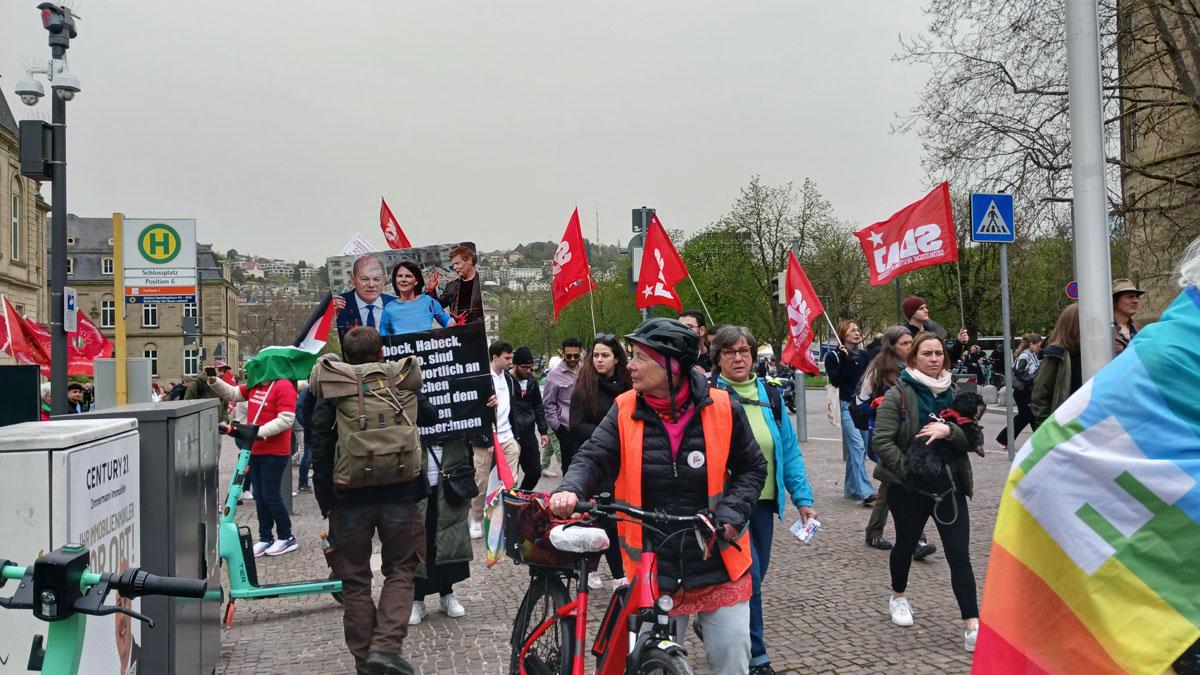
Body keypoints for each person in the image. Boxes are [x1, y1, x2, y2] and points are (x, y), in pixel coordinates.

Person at [550, 318, 766, 674]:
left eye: (640, 357)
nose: (629, 365)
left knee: (733, 659)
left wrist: (729, 515)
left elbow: (752, 468)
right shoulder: (623, 409)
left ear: (673, 365)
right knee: (650, 663)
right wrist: (570, 490)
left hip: (717, 556)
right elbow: (591, 457)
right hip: (654, 561)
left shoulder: (724, 407)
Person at [309, 327, 425, 675]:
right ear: (381, 353)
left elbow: (319, 442)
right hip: (402, 494)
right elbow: (430, 417)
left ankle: (366, 665)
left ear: (346, 357)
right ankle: (386, 648)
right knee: (401, 570)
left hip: (349, 498)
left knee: (355, 581)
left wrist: (326, 499)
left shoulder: (334, 387)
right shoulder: (400, 381)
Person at [709, 325, 816, 675]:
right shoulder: (710, 396)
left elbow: (788, 449)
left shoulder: (770, 395)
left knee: (757, 576)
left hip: (765, 503)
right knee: (749, 576)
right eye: (729, 352)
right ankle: (757, 656)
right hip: (729, 505)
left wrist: (802, 497)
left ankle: (719, 625)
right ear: (718, 358)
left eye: (744, 351)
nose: (738, 358)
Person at [871, 332, 979, 653]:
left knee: (959, 553)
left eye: (938, 354)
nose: (934, 359)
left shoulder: (958, 392)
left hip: (949, 487)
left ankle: (971, 623)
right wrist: (908, 471)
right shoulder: (898, 395)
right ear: (913, 358)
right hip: (909, 488)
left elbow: (972, 437)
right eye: (927, 353)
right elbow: (882, 441)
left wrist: (950, 431)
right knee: (905, 544)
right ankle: (899, 596)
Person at [208, 364, 298, 557]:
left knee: (271, 495)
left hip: (275, 451)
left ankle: (286, 536)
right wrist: (214, 381)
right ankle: (265, 537)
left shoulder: (283, 386)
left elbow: (286, 419)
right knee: (259, 496)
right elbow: (233, 393)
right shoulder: (255, 385)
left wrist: (259, 432)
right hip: (256, 449)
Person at [567, 333, 632, 590]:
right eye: (596, 355)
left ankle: (592, 565)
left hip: (625, 461)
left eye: (605, 355)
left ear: (617, 358)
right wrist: (607, 435)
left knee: (616, 516)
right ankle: (618, 575)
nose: (599, 360)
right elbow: (575, 426)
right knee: (606, 517)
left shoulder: (628, 386)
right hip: (598, 461)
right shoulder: (584, 389)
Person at [856, 325, 915, 552]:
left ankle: (876, 532)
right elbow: (861, 403)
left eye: (911, 343)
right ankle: (915, 538)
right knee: (900, 482)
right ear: (892, 346)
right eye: (904, 344)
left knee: (892, 486)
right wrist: (879, 406)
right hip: (883, 436)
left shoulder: (913, 367)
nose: (909, 348)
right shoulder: (879, 368)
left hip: (907, 435)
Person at [409, 435, 473, 627]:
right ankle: (416, 598)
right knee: (420, 537)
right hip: (417, 474)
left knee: (449, 537)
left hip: (451, 471)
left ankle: (447, 593)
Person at [469, 341, 522, 538]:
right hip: (486, 440)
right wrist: (485, 438)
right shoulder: (482, 379)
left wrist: (515, 438)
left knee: (509, 482)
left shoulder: (508, 379)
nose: (510, 361)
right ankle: (475, 517)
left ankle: (502, 517)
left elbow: (512, 410)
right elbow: (474, 411)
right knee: (481, 482)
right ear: (495, 357)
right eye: (507, 358)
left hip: (507, 437)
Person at [824, 320, 875, 503]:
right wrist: (845, 360)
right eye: (853, 330)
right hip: (846, 406)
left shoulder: (864, 355)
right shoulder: (833, 356)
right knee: (857, 447)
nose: (857, 332)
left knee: (860, 448)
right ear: (843, 334)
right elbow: (836, 380)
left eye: (858, 329)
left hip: (862, 407)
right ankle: (865, 491)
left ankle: (851, 488)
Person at [1031, 304, 1082, 426]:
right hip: (1066, 426)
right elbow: (1040, 395)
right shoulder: (1056, 354)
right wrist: (1049, 428)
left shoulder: (1093, 353)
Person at [994, 333, 1044, 450]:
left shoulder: (1030, 355)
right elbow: (1019, 371)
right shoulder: (1025, 356)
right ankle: (1004, 438)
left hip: (1026, 391)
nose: (1039, 348)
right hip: (1023, 391)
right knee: (1026, 416)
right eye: (1038, 345)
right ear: (1031, 344)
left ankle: (1040, 440)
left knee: (1030, 416)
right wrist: (1032, 379)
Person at [509, 346, 549, 491]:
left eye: (530, 367)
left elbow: (538, 406)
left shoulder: (532, 382)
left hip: (529, 434)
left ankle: (520, 496)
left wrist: (543, 431)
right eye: (524, 367)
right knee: (510, 477)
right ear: (515, 364)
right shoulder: (507, 381)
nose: (528, 371)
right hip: (511, 435)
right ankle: (508, 503)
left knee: (534, 472)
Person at [379, 261, 455, 336]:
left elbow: (446, 322)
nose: (403, 280)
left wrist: (455, 323)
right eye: (399, 276)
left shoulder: (428, 301)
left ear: (416, 281)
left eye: (408, 276)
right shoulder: (389, 308)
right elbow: (383, 337)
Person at [542, 337, 583, 473]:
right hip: (566, 429)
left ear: (580, 353)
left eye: (576, 356)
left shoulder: (586, 371)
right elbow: (548, 405)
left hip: (585, 427)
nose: (572, 359)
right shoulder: (553, 376)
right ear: (563, 354)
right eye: (568, 356)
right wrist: (558, 428)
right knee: (569, 469)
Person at [334, 254, 397, 339]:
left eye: (376, 279)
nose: (371, 285)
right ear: (353, 279)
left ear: (384, 280)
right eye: (365, 279)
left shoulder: (397, 305)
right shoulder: (338, 305)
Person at [901, 295, 969, 364]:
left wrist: (959, 342)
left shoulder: (932, 332)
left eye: (925, 307)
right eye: (921, 308)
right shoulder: (905, 335)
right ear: (911, 313)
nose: (926, 310)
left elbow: (949, 357)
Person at [431, 245, 483, 324]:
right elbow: (437, 307)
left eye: (457, 263)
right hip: (457, 333)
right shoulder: (451, 286)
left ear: (469, 260)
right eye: (453, 265)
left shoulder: (482, 283)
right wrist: (431, 290)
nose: (454, 268)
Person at [1111, 278, 1145, 354]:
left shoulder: (1139, 329)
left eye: (1137, 297)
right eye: (1130, 297)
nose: (1135, 301)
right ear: (1114, 301)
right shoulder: (1104, 331)